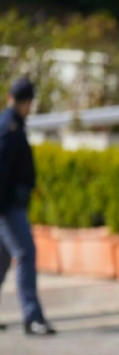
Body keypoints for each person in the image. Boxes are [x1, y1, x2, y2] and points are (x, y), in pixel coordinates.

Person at [0, 77, 55, 336]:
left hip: (9, 204)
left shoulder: (12, 124)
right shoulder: (9, 127)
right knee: (25, 253)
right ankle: (32, 318)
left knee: (2, 259)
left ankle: (32, 317)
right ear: (26, 102)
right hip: (6, 206)